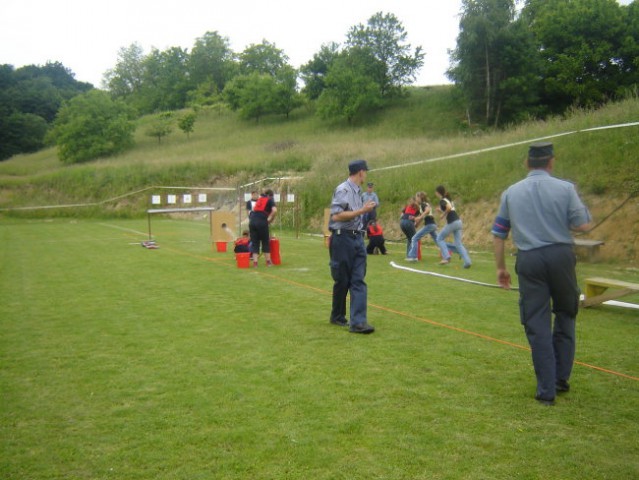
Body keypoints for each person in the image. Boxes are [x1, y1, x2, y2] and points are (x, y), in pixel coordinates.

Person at [491, 142, 592, 406]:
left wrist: (500, 268)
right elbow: (582, 226)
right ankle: (561, 377)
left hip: (530, 259)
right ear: (551, 162)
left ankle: (546, 389)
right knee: (566, 312)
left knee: (536, 323)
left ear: (527, 164)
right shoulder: (566, 188)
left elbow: (498, 234)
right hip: (561, 256)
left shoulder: (510, 193)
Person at [328, 159, 377, 334]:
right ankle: (337, 315)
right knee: (342, 280)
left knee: (358, 280)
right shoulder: (343, 190)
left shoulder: (359, 192)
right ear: (360, 172)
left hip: (357, 239)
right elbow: (336, 216)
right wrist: (361, 211)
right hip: (342, 240)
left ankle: (358, 322)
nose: (366, 175)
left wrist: (364, 211)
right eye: (366, 172)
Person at [435, 185, 472, 268]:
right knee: (458, 244)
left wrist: (442, 215)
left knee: (439, 238)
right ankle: (467, 261)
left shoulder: (442, 200)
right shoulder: (448, 199)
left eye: (435, 192)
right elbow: (450, 208)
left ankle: (446, 257)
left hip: (452, 222)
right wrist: (441, 211)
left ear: (438, 193)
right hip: (458, 222)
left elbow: (448, 208)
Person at [406, 191, 438, 262]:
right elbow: (422, 216)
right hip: (432, 225)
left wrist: (418, 218)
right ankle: (449, 250)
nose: (415, 198)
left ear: (419, 197)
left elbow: (427, 211)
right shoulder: (422, 205)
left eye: (416, 197)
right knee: (438, 241)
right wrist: (416, 224)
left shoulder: (423, 204)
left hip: (429, 225)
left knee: (415, 238)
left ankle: (413, 257)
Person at [249, 189, 277, 267]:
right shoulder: (270, 199)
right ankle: (268, 262)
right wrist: (270, 219)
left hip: (252, 222)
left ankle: (255, 263)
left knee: (255, 242)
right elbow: (274, 210)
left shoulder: (259, 199)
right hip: (261, 222)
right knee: (265, 241)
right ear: (270, 195)